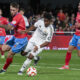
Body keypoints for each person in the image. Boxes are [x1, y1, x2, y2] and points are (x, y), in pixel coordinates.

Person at [0, 2, 28, 74]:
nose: (12, 12)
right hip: (15, 37)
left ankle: (3, 69)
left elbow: (9, 27)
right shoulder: (15, 16)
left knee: (10, 54)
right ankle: (28, 52)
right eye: (11, 10)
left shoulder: (18, 17)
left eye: (13, 10)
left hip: (21, 39)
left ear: (17, 9)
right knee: (3, 48)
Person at [58, 4, 80, 70]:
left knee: (79, 55)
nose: (78, 6)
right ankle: (66, 66)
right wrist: (74, 26)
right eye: (78, 5)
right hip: (76, 35)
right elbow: (77, 24)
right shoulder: (78, 13)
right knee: (69, 50)